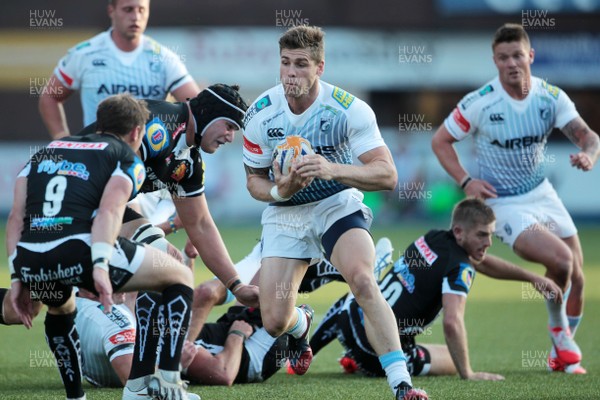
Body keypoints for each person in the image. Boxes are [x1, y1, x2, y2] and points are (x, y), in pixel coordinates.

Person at [242, 25, 427, 400]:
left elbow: (388, 174)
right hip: (285, 212)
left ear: (319, 67)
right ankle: (302, 323)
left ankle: (402, 384)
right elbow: (254, 183)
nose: (291, 73)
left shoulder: (347, 109)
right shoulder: (261, 114)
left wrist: (332, 169)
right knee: (274, 320)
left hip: (334, 205)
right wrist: (281, 189)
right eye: (285, 64)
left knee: (361, 280)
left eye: (301, 64)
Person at [431, 23, 599, 374]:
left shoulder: (550, 97)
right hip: (503, 202)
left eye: (518, 55)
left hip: (541, 192)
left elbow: (588, 136)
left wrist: (589, 154)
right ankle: (560, 336)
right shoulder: (480, 102)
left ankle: (559, 351)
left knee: (578, 277)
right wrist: (466, 180)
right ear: (495, 61)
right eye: (504, 57)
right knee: (562, 262)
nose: (511, 63)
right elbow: (440, 141)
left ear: (530, 56)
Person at [7, 93, 198, 400]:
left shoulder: (47, 151)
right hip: (80, 250)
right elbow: (110, 212)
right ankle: (168, 384)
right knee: (179, 277)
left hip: (32, 258)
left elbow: (16, 217)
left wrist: (18, 277)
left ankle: (76, 397)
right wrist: (99, 268)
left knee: (61, 308)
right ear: (137, 132)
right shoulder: (125, 157)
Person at [309, 198, 563, 380]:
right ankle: (362, 360)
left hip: (348, 321)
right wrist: (468, 373)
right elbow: (452, 323)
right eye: (482, 235)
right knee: (453, 360)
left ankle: (320, 352)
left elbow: (479, 261)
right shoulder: (461, 267)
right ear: (459, 232)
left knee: (362, 292)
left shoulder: (434, 238)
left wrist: (532, 278)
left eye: (490, 235)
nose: (488, 243)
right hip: (377, 349)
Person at [39, 0, 199, 139]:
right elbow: (50, 97)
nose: (136, 17)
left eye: (141, 10)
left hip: (149, 160)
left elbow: (196, 106)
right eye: (128, 9)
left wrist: (182, 143)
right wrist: (61, 138)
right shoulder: (85, 54)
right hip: (98, 157)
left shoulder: (164, 58)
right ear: (111, 10)